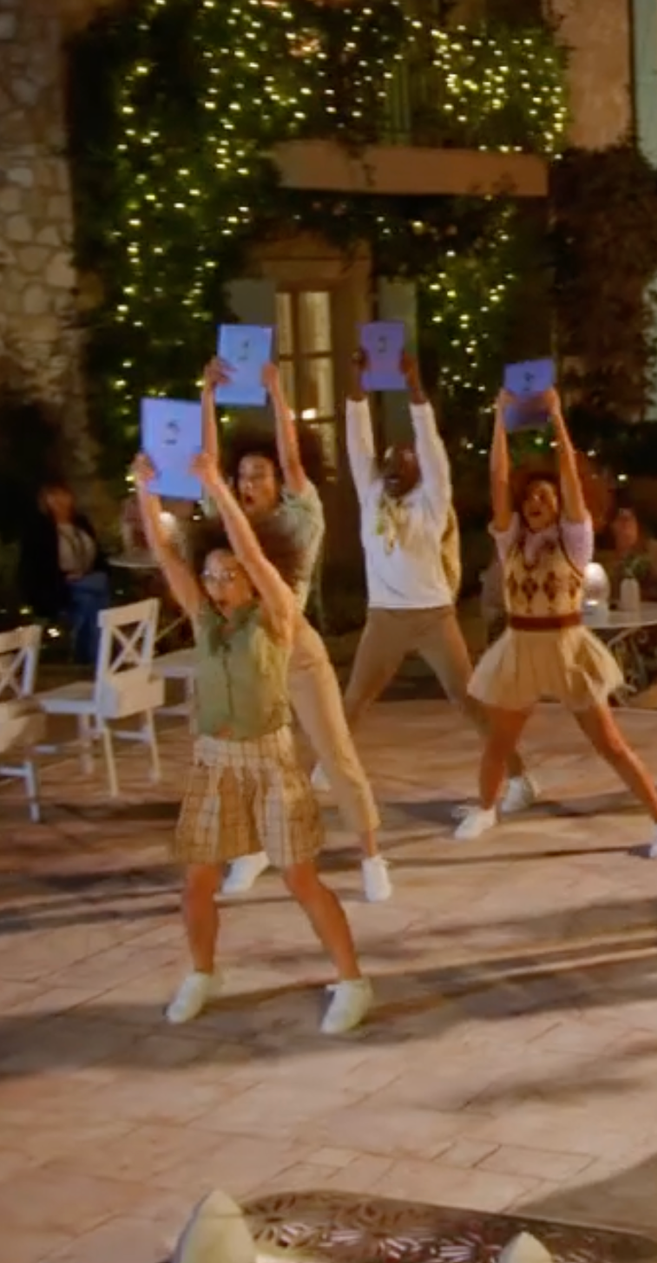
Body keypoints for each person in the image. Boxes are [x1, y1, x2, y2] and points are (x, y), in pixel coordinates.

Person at [129, 447, 372, 1035]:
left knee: (299, 878)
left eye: (226, 573)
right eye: (209, 574)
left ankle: (351, 981)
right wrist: (146, 491)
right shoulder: (205, 617)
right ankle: (204, 971)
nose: (214, 584)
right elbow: (165, 552)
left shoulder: (276, 615)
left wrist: (216, 484)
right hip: (215, 764)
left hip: (269, 760)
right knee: (198, 882)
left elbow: (257, 557)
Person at [457, 384, 657, 853]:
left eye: (545, 496)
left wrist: (557, 419)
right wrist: (499, 419)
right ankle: (484, 810)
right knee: (499, 741)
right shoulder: (512, 540)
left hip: (566, 646)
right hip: (520, 647)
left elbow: (572, 483)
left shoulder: (574, 541)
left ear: (558, 504)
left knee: (610, 743)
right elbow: (499, 481)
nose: (536, 502)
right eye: (530, 499)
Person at [203, 358, 393, 904]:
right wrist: (208, 397)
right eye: (243, 477)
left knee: (335, 754)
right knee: (254, 762)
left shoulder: (300, 517)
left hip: (296, 650)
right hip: (248, 657)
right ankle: (257, 848)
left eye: (258, 475)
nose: (247, 483)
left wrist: (275, 390)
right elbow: (209, 470)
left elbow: (289, 456)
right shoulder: (232, 525)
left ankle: (372, 856)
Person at [338, 348, 534, 812]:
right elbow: (356, 441)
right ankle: (328, 767)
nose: (391, 465)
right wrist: (357, 383)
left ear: (420, 473)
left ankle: (521, 777)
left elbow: (430, 445)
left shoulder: (431, 500)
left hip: (432, 616)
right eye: (388, 460)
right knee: (351, 701)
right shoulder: (372, 498)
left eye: (403, 461)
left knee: (468, 701)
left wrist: (413, 386)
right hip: (384, 616)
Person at [22, 481, 109, 664]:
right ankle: (97, 657)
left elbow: (99, 558)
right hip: (60, 587)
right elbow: (37, 569)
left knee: (94, 595)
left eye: (62, 495)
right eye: (52, 496)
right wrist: (65, 578)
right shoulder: (40, 530)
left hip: (87, 579)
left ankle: (89, 656)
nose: (58, 500)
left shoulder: (81, 524)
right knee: (94, 601)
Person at [598, 506, 657, 603]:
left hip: (649, 608)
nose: (626, 523)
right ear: (612, 526)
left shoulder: (651, 548)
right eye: (621, 519)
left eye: (630, 519)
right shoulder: (605, 556)